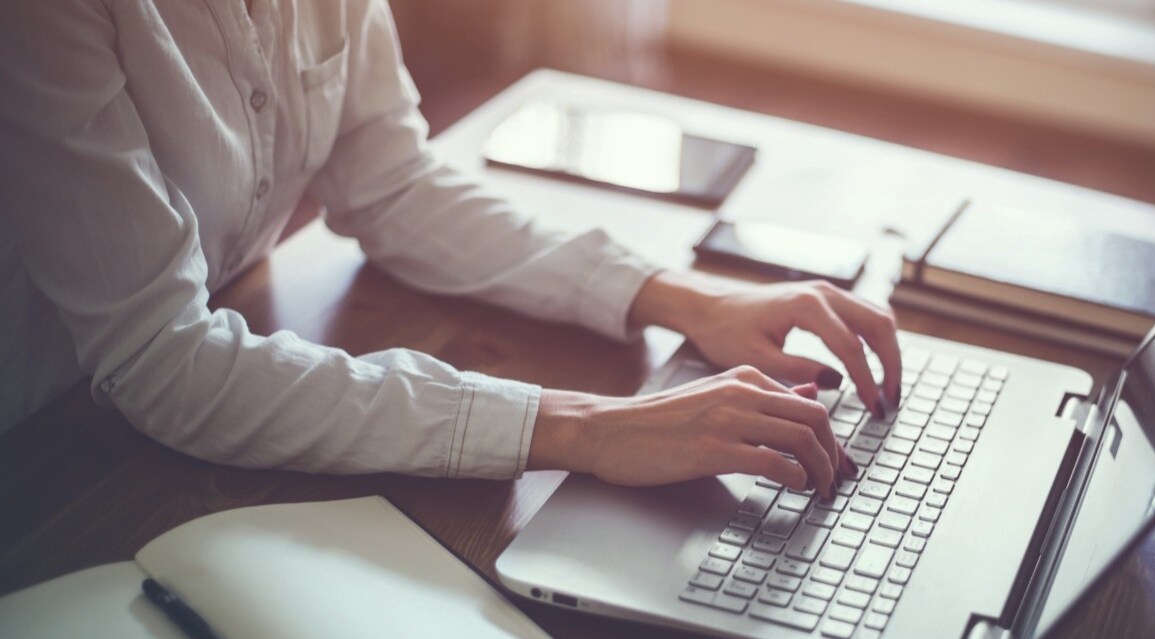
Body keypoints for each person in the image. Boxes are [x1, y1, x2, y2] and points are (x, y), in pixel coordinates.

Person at [0, 0, 900, 502]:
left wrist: (677, 296)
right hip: (43, 460)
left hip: (195, 401)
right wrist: (582, 426)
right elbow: (163, 359)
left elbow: (391, 182)